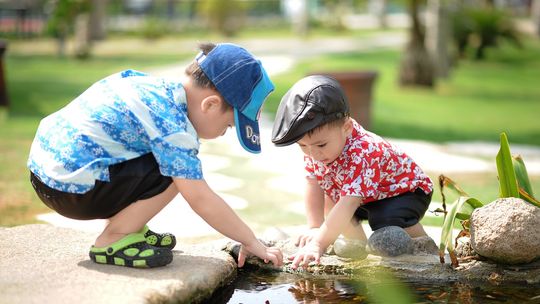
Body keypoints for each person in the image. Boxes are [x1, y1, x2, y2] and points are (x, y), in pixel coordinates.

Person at [28, 42, 283, 269]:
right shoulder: (173, 127)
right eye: (228, 126)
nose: (224, 133)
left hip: (47, 174)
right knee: (178, 173)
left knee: (168, 161)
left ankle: (130, 227)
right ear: (211, 105)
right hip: (70, 190)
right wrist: (250, 240)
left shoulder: (155, 89)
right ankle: (114, 238)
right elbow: (200, 199)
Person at [271, 75, 433, 269]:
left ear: (346, 128)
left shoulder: (364, 151)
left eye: (321, 144)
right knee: (332, 202)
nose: (313, 153)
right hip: (367, 196)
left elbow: (349, 202)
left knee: (384, 220)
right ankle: (358, 248)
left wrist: (318, 244)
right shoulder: (317, 149)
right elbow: (313, 184)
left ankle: (424, 246)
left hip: (405, 192)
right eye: (303, 146)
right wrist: (315, 227)